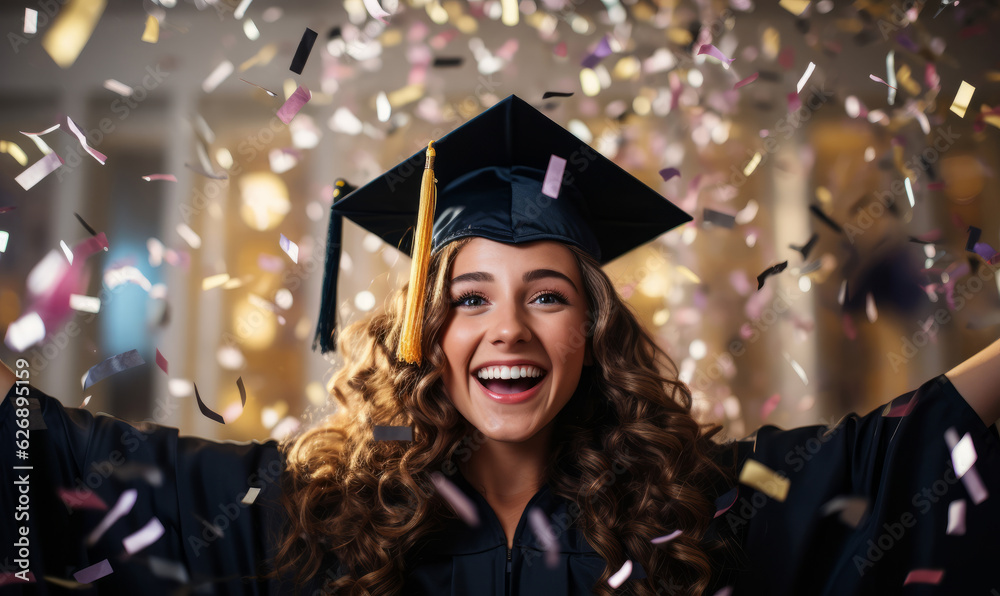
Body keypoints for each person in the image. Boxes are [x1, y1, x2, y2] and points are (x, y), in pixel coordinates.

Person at [1, 95, 999, 595]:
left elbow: (910, 447)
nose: (506, 329)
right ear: (420, 327)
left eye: (547, 294)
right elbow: (56, 460)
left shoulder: (696, 505)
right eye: (467, 296)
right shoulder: (310, 511)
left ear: (593, 327)